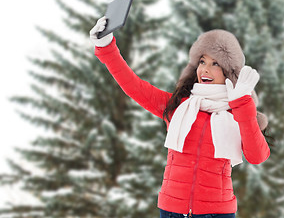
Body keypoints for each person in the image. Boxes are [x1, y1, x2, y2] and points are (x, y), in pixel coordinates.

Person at [90, 17, 270, 218]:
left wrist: (242, 104)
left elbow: (257, 156)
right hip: (171, 210)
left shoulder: (237, 113)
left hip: (216, 213)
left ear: (228, 72)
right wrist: (106, 47)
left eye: (215, 64)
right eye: (202, 61)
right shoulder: (178, 106)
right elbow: (133, 85)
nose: (205, 69)